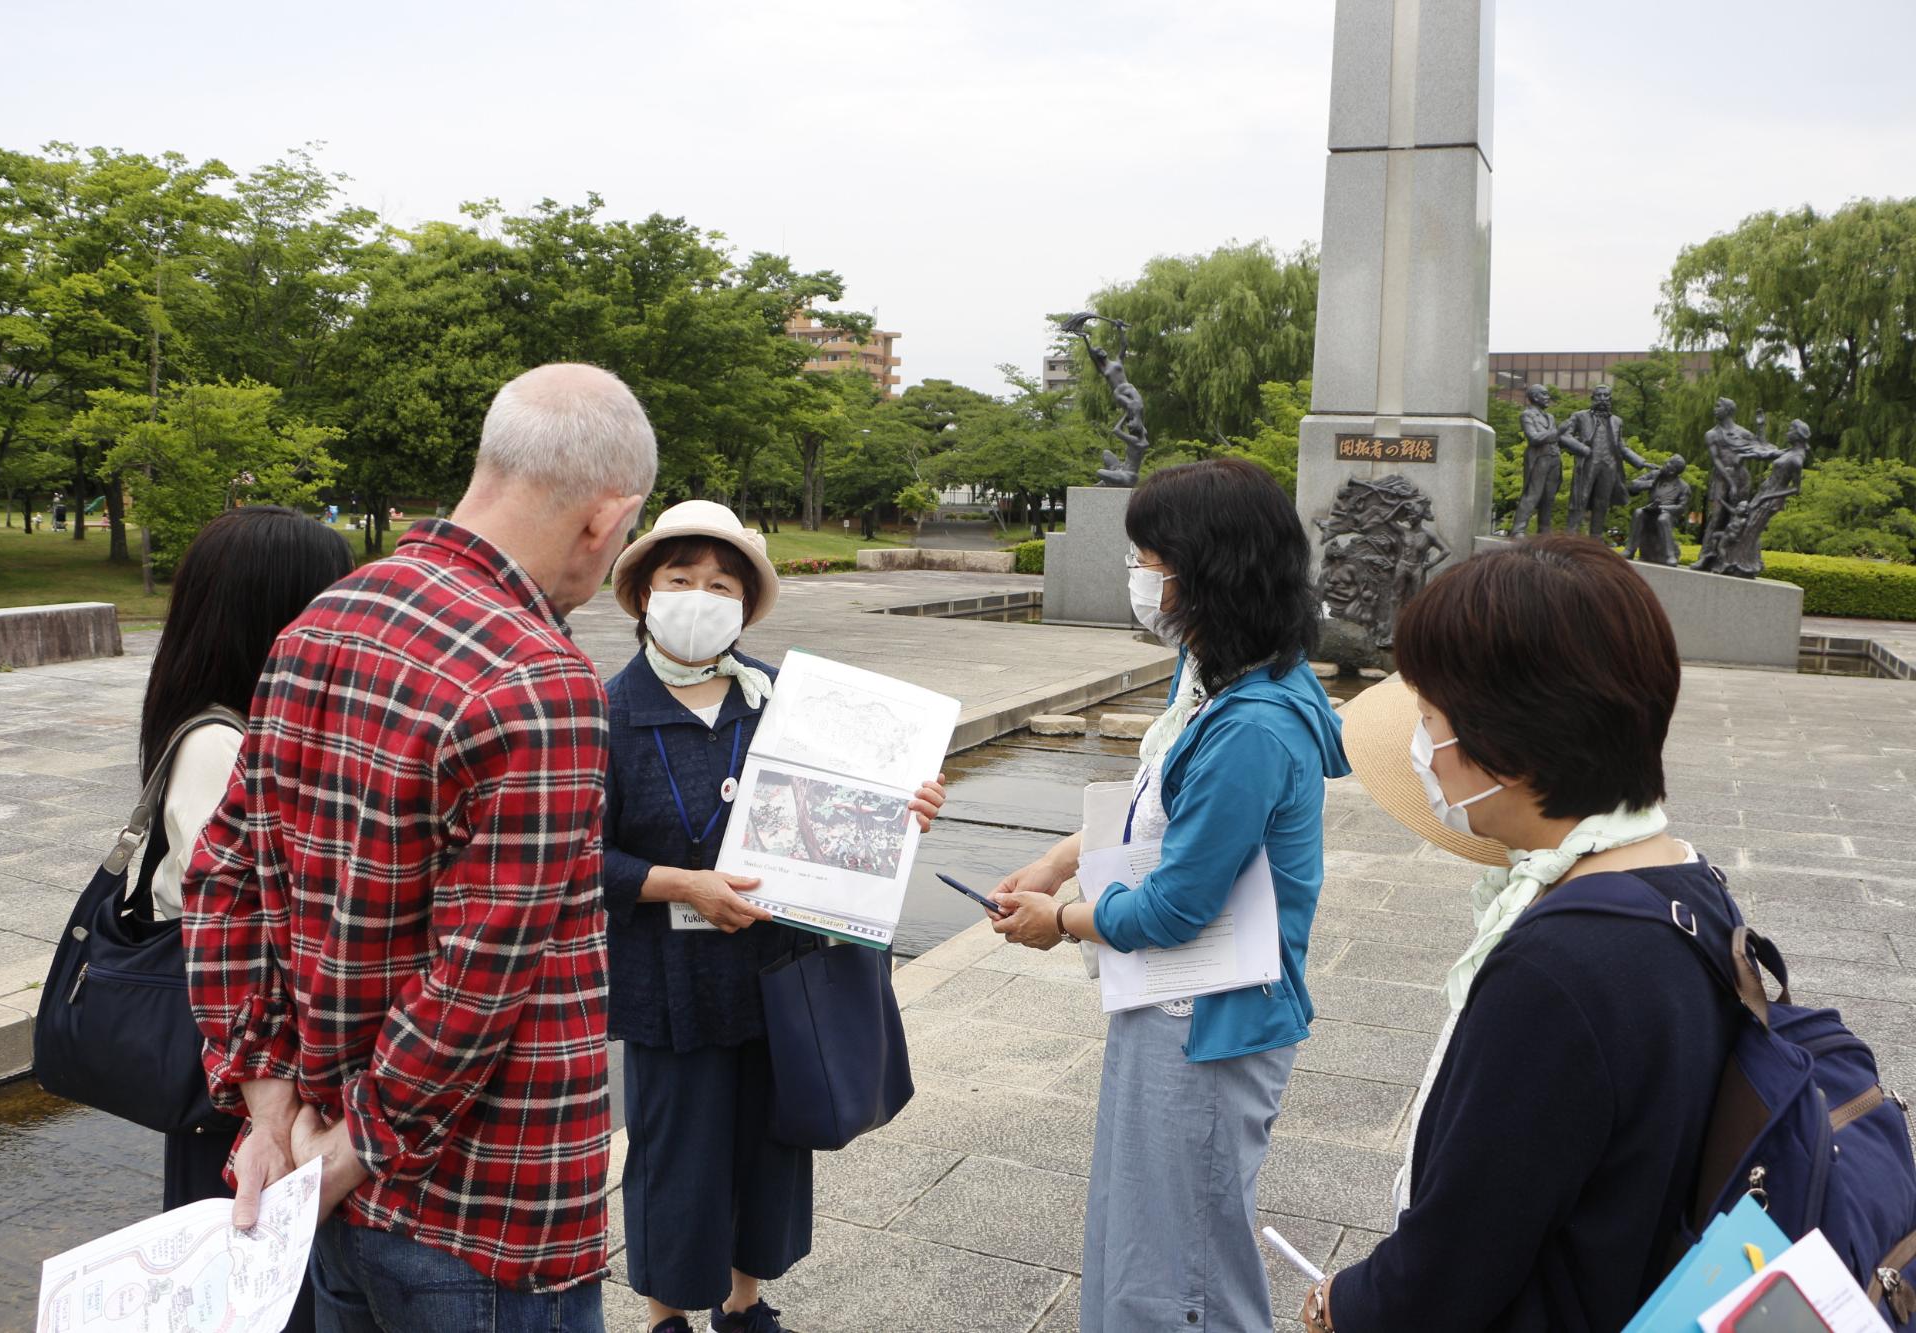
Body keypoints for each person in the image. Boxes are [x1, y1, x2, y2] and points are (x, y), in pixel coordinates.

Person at [184, 364, 658, 1333]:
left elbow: (223, 875)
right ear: (605, 521)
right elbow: (478, 982)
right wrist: (353, 1149)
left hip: (324, 1177)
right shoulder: (539, 677)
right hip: (484, 1215)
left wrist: (270, 1112)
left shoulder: (321, 620)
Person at [1298, 536, 1736, 1332]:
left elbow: (1457, 1260)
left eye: (1428, 719)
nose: (1419, 748)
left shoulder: (1558, 968)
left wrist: (1348, 1304)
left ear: (1508, 744)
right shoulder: (1682, 877)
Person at [988, 457, 1350, 1333]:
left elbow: (1179, 904)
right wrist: (1056, 862)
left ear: (1206, 570)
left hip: (1206, 1016)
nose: (1140, 578)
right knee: (1149, 1226)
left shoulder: (1252, 724)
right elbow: (1159, 799)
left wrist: (1061, 919)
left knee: (1183, 1262)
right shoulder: (1226, 680)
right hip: (1175, 999)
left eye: (1151, 558)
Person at [600, 500, 945, 1333]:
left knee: (770, 1148)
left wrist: (903, 807)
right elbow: (578, 855)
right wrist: (683, 884)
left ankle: (747, 1306)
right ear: (646, 591)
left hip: (776, 977)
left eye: (721, 583)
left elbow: (847, 814)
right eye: (680, 578)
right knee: (673, 1155)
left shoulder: (787, 701)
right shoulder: (602, 707)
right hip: (669, 984)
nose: (700, 595)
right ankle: (665, 1316)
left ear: (745, 603)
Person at [140, 505, 353, 1331]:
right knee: (250, 1282)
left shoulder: (231, 726)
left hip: (238, 1066)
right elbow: (251, 913)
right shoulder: (220, 746)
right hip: (232, 1076)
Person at [1693, 397, 1781, 571]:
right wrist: (1730, 483)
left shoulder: (1742, 432)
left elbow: (1763, 446)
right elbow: (1716, 459)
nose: (1715, 409)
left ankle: (1737, 557)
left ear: (1728, 410)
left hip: (1741, 477)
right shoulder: (1712, 434)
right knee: (1717, 516)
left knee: (1739, 517)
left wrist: (1761, 426)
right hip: (1722, 477)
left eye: (1718, 406)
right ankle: (1706, 556)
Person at [1560, 385, 1651, 538]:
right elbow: (1563, 435)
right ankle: (1571, 534)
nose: (1602, 399)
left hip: (1609, 465)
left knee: (1602, 502)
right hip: (1588, 463)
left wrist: (1642, 462)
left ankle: (1596, 537)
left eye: (1606, 396)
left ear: (1610, 399)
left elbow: (1621, 446)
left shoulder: (1617, 421)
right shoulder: (1579, 416)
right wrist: (1581, 448)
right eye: (1599, 395)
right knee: (1580, 499)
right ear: (1592, 398)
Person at [1509, 384, 1563, 537]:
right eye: (1544, 394)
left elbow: (1557, 438)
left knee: (1549, 497)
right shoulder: (1527, 415)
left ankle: (1544, 531)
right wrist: (1558, 432)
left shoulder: (1550, 417)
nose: (1548, 398)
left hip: (1554, 458)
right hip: (1539, 458)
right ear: (1534, 397)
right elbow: (1533, 438)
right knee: (1532, 494)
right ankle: (1518, 530)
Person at [1623, 454, 1693, 565]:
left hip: (1667, 515)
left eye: (1667, 464)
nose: (1663, 465)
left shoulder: (1683, 487)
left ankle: (1670, 555)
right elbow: (1632, 486)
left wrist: (1661, 508)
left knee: (1663, 518)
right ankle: (1629, 550)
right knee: (1638, 512)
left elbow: (1681, 508)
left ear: (1672, 471)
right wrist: (1650, 483)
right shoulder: (1655, 475)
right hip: (1649, 511)